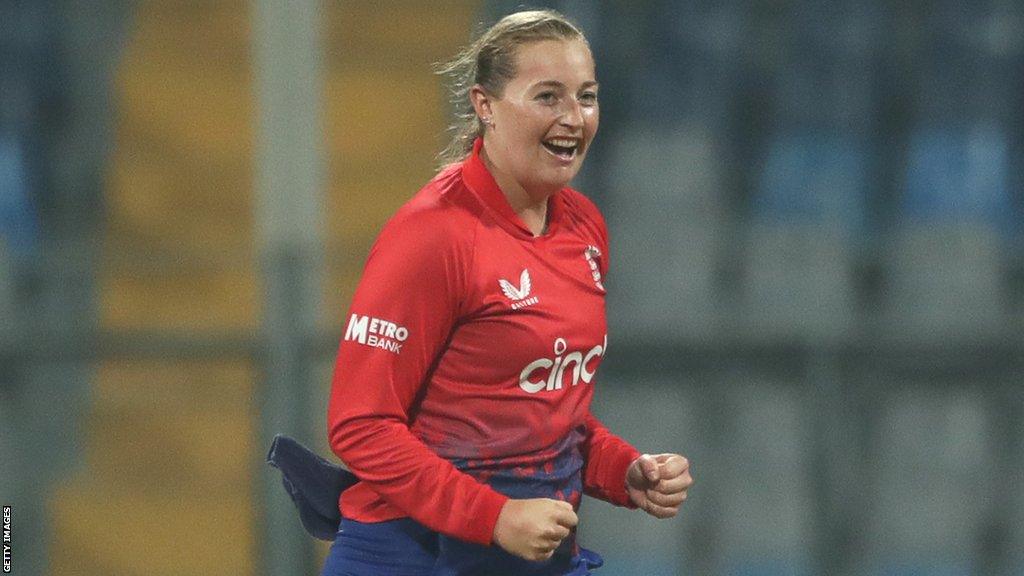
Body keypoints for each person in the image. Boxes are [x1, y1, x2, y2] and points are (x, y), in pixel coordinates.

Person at [323, 9, 693, 576]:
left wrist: (624, 470)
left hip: (533, 558)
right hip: (412, 556)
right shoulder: (434, 234)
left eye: (587, 97)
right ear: (484, 105)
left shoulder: (585, 227)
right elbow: (360, 425)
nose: (574, 117)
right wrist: (492, 517)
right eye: (548, 97)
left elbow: (541, 418)